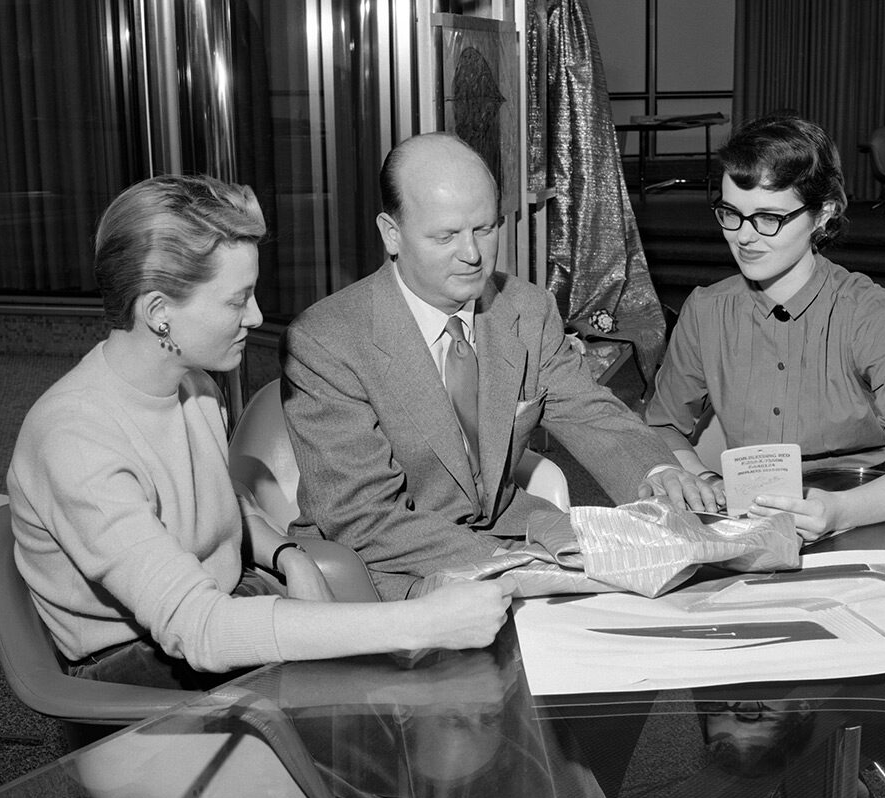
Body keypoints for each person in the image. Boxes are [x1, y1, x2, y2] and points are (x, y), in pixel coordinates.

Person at [7, 174, 515, 691]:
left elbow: (219, 503)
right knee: (400, 701)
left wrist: (285, 554)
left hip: (220, 608)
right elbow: (199, 629)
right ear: (159, 313)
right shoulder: (74, 437)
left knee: (417, 697)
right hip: (133, 671)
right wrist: (423, 623)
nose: (256, 316)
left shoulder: (196, 388)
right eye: (236, 300)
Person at [280, 132, 699, 601]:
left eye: (485, 229)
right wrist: (518, 569)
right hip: (387, 569)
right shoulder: (325, 341)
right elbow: (364, 519)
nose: (473, 254)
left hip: (513, 533)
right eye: (446, 236)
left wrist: (657, 471)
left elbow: (588, 410)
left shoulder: (526, 307)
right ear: (391, 233)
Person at [645, 114, 885, 540]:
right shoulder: (706, 310)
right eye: (730, 213)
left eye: (769, 218)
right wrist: (701, 479)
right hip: (748, 516)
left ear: (823, 215)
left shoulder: (864, 310)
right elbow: (661, 424)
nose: (744, 237)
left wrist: (841, 511)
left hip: (861, 505)